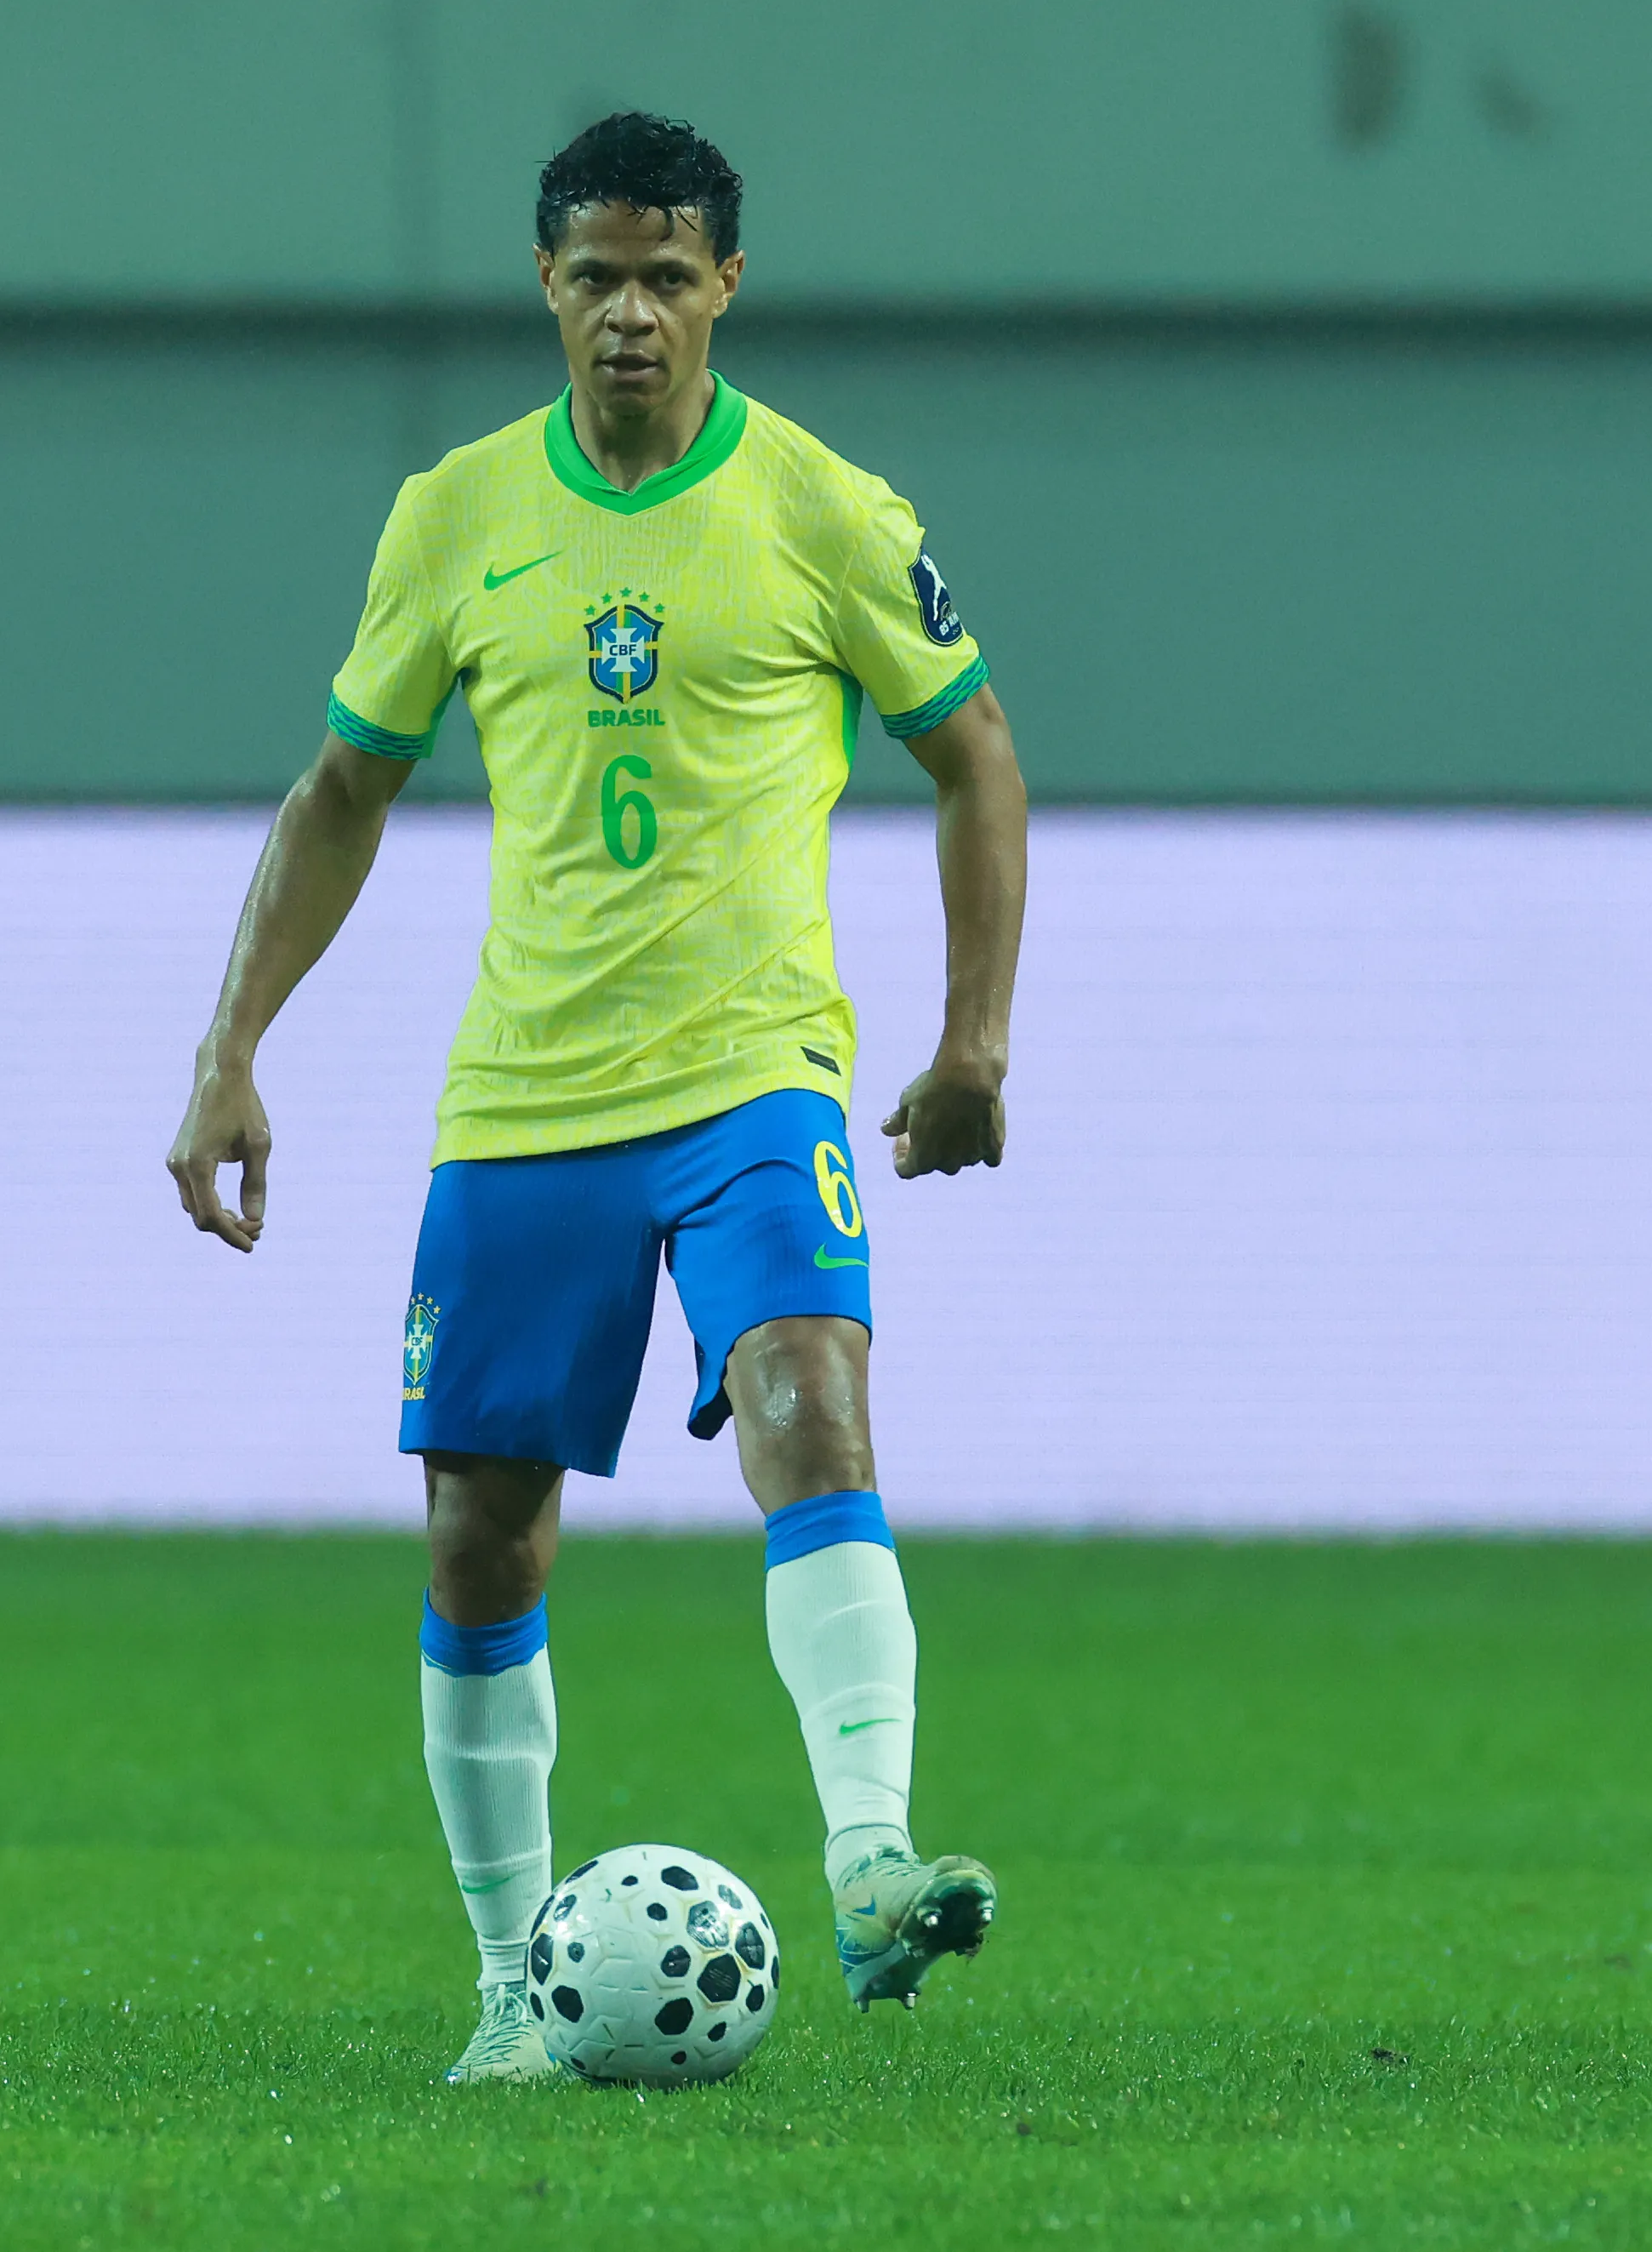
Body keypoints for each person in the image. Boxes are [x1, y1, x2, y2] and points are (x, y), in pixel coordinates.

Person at [166, 111, 1027, 2084]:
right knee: (483, 1540)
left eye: (666, 276)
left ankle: (874, 1860)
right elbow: (339, 795)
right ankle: (503, 1988)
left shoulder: (819, 508)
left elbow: (975, 754)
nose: (629, 312)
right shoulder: (457, 513)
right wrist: (229, 1047)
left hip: (753, 1074)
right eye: (594, 277)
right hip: (528, 1094)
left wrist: (971, 1037)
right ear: (543, 287)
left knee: (811, 1397)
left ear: (725, 285)